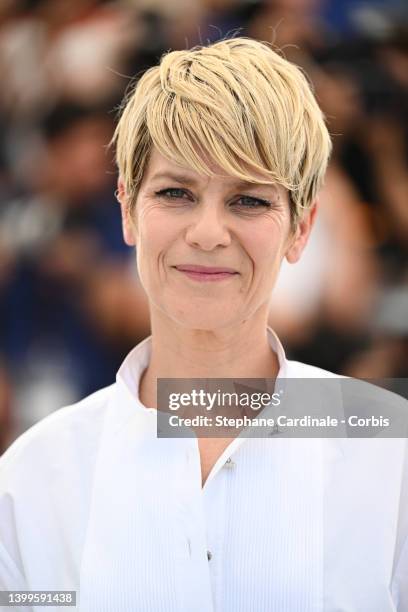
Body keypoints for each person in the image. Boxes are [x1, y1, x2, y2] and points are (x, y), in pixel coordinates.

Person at [0, 37, 407, 612]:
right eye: (175, 193)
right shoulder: (33, 479)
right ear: (126, 208)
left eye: (248, 200)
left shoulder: (389, 448)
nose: (209, 232)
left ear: (301, 226)